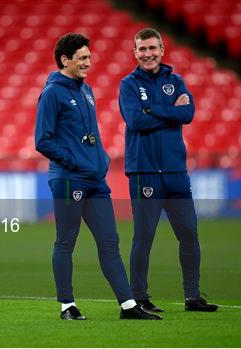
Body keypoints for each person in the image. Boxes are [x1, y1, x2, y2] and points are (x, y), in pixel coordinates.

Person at [35, 33, 161, 320]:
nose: (88, 63)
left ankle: (128, 306)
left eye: (89, 57)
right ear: (65, 60)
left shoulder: (86, 90)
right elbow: (43, 140)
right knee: (66, 241)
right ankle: (67, 306)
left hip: (94, 180)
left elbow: (90, 135)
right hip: (69, 179)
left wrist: (100, 160)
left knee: (109, 241)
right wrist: (76, 162)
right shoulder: (52, 93)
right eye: (82, 58)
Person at [118, 28, 218, 312]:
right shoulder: (128, 85)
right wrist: (169, 112)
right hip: (144, 172)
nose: (148, 54)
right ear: (134, 53)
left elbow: (187, 114)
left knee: (189, 234)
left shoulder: (176, 81)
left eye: (152, 48)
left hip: (175, 171)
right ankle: (139, 298)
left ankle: (193, 297)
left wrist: (153, 111)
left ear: (162, 49)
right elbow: (136, 121)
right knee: (144, 236)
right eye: (142, 49)